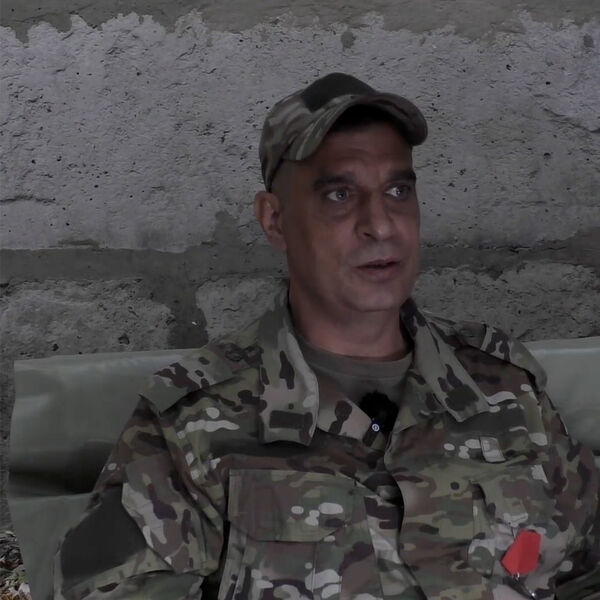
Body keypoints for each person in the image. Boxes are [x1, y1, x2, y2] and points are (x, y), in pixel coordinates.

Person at [55, 73, 599, 599]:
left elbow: (586, 568)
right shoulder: (193, 424)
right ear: (274, 220)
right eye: (339, 195)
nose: (380, 224)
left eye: (398, 190)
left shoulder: (503, 389)